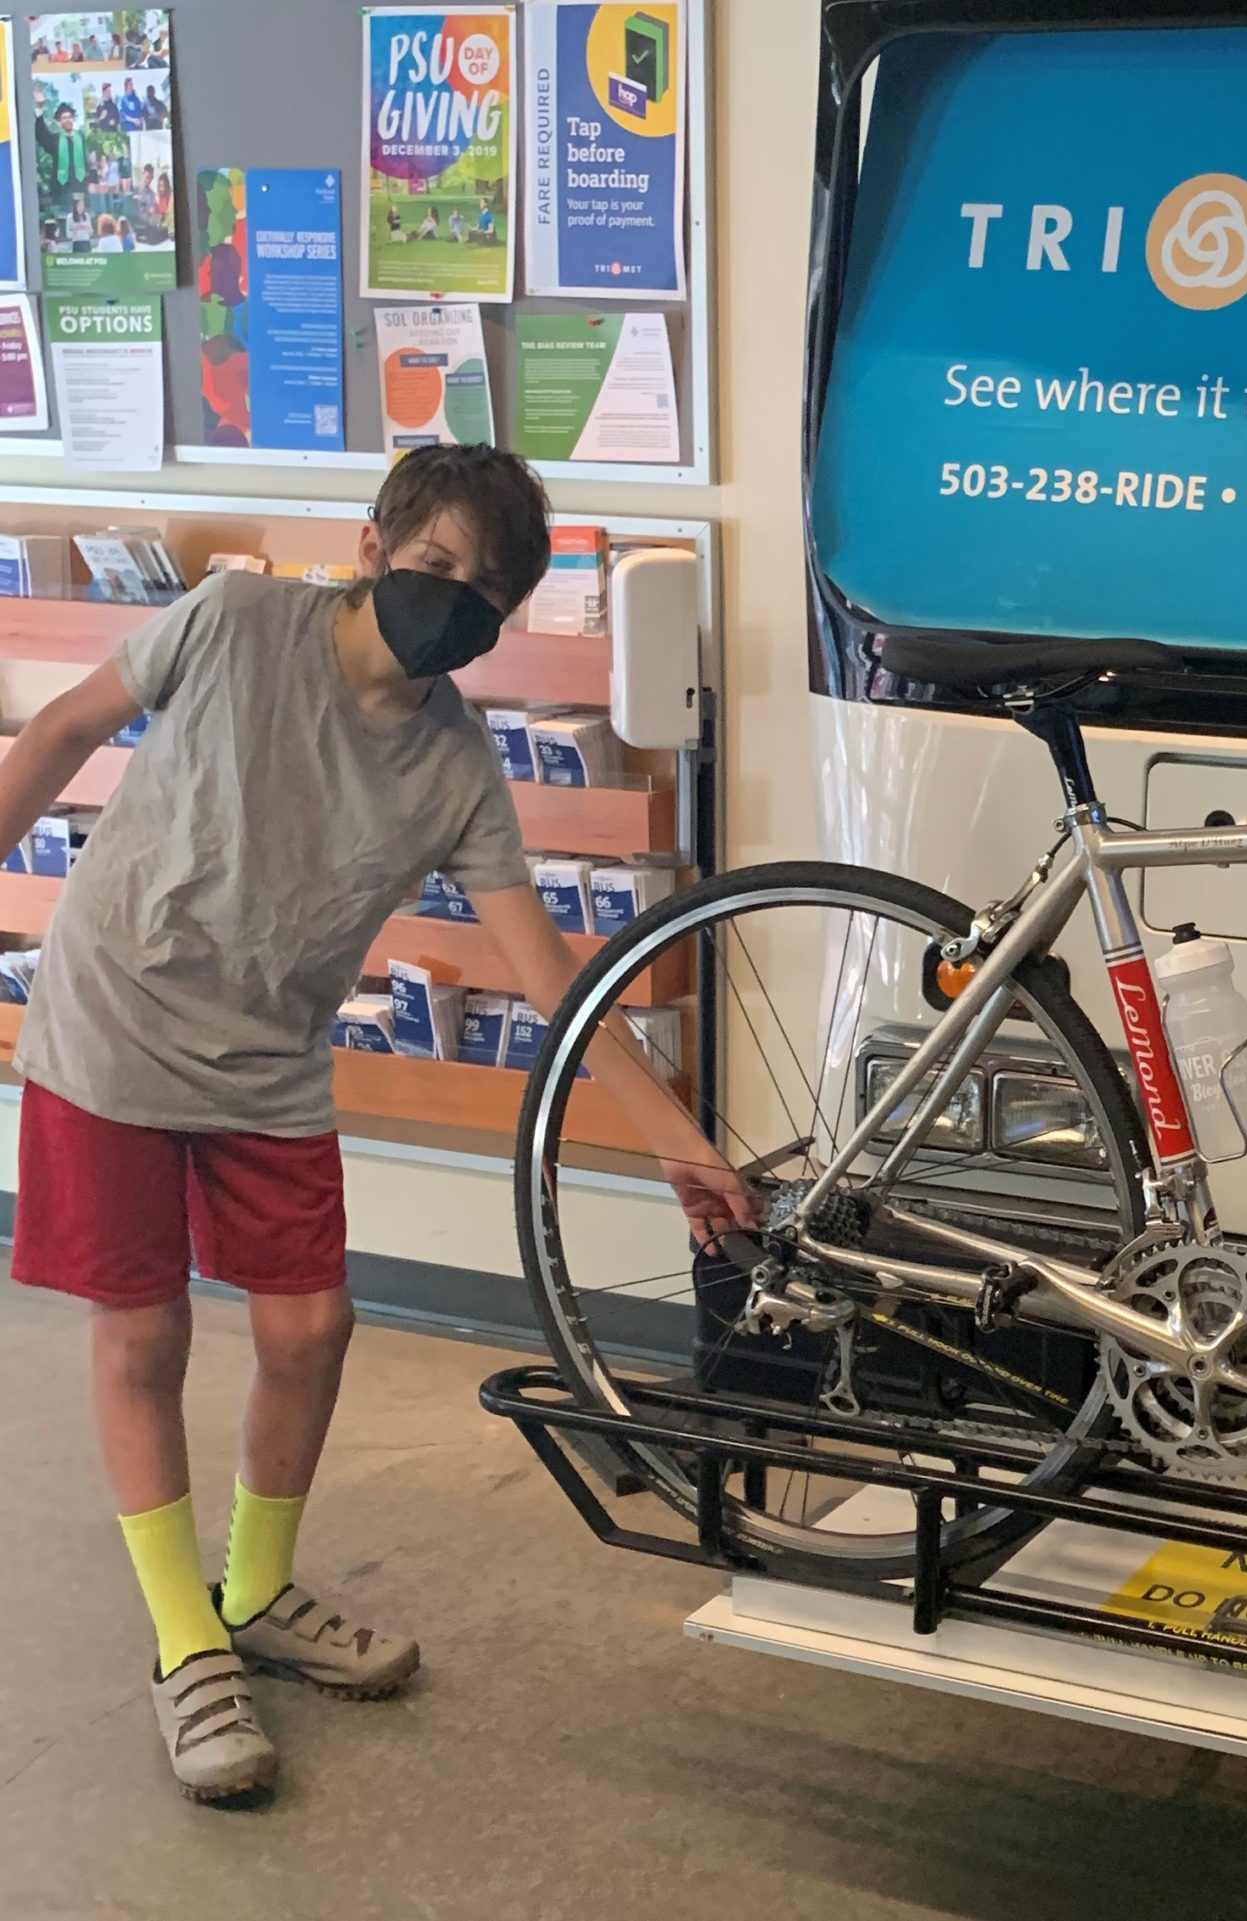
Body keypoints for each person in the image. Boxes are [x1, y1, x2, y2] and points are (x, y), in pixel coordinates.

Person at [0, 447, 756, 1804]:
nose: (456, 601)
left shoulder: (455, 765)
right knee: (144, 1329)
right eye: (437, 567)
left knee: (308, 1327)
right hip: (111, 1022)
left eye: (489, 592)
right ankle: (189, 1643)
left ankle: (259, 1587)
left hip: (269, 1058)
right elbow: (56, 732)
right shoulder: (233, 624)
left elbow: (549, 976)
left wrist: (673, 1139)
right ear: (374, 543)